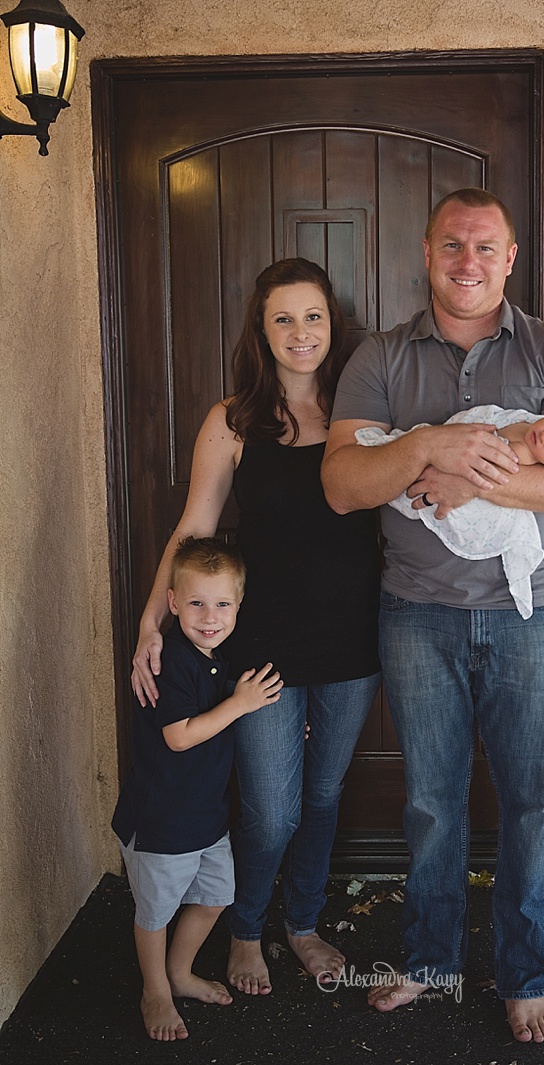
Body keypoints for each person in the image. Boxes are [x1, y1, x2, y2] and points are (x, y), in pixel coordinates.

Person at [321, 188, 544, 1044]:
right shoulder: (379, 357)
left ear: (511, 258)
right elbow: (343, 484)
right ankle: (432, 961)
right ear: (427, 251)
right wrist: (425, 448)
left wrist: (466, 480)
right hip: (418, 614)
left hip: (535, 619)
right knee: (433, 803)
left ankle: (526, 972)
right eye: (454, 245)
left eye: (486, 248)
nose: (469, 262)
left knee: (532, 803)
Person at [131, 258, 381, 999]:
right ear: (261, 330)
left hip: (352, 641)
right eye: (283, 318)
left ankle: (300, 924)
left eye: (313, 317)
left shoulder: (361, 411)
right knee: (273, 809)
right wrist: (153, 618)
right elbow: (195, 528)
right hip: (261, 650)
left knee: (327, 795)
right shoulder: (234, 418)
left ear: (331, 326)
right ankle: (245, 930)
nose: (299, 333)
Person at [113, 536, 284, 1040]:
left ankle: (179, 973)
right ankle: (155, 991)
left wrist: (262, 711)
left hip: (207, 818)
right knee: (156, 913)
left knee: (214, 899)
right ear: (172, 603)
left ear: (238, 605)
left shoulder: (216, 658)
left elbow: (227, 710)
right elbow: (180, 735)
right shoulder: (171, 660)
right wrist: (240, 705)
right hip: (161, 820)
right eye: (195, 603)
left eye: (223, 603)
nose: (210, 615)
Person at [356, 406, 544, 617]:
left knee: (414, 489)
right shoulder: (525, 421)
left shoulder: (521, 455)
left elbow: (482, 473)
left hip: (458, 484)